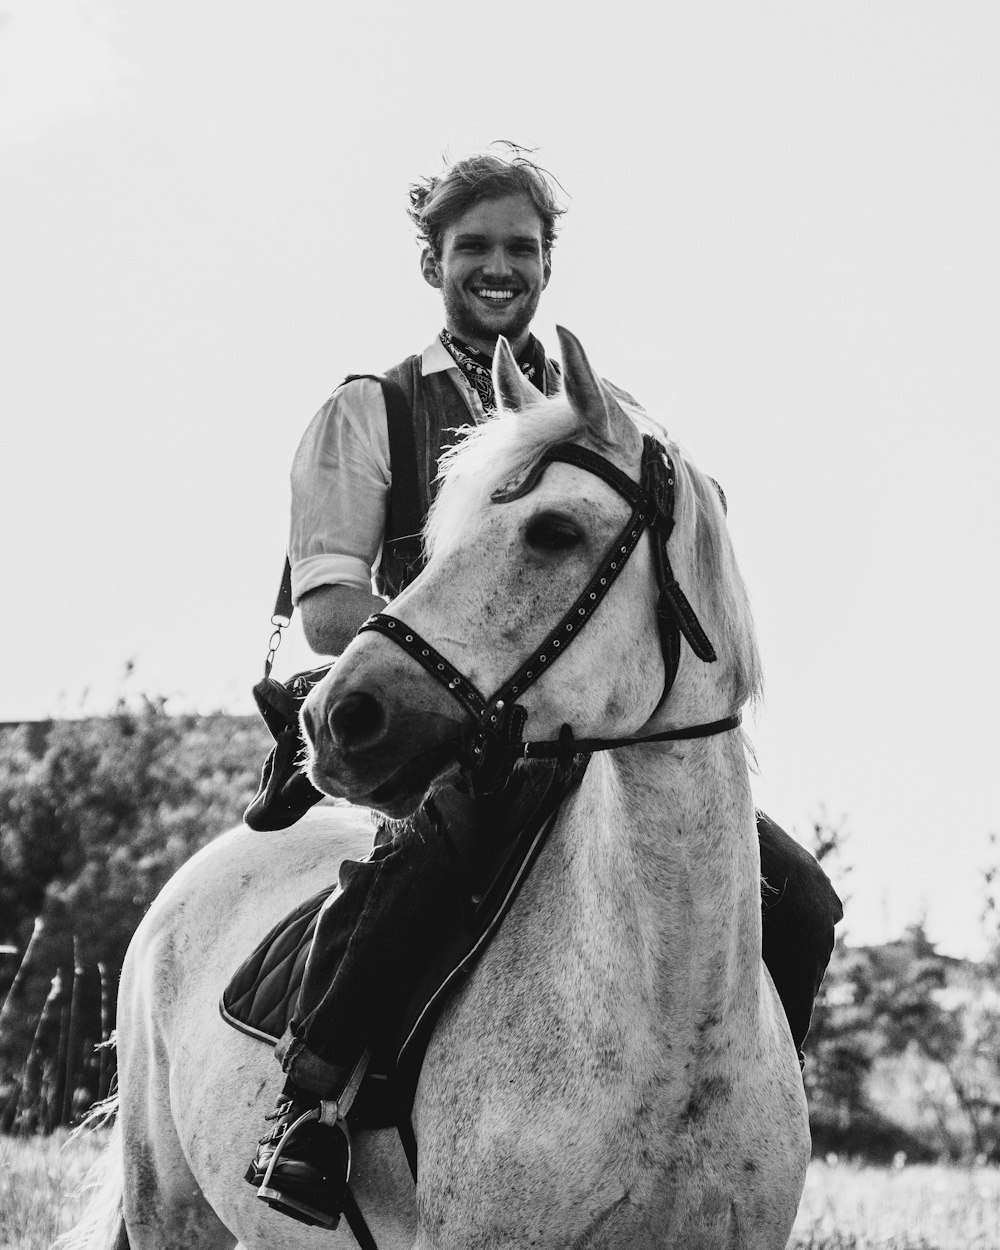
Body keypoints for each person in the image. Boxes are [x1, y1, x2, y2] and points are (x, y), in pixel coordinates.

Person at [244, 145, 843, 1229]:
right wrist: (446, 640)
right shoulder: (371, 409)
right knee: (430, 864)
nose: (498, 265)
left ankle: (746, 1107)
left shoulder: (600, 415)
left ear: (547, 263)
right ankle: (311, 1109)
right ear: (432, 261)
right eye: (473, 246)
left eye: (521, 246)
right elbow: (330, 604)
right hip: (439, 731)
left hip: (591, 731)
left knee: (797, 892)